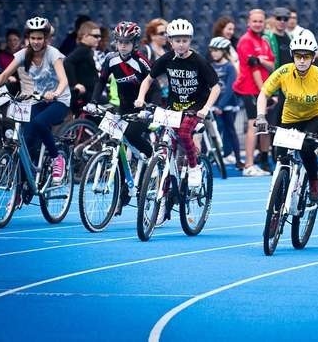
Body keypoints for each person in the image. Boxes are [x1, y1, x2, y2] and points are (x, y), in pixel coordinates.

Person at [135, 18, 220, 190]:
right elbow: (148, 79)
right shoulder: (166, 59)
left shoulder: (198, 61)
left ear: (190, 40)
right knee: (169, 150)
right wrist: (140, 98)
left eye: (185, 40)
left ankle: (194, 166)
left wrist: (205, 108)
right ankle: (164, 199)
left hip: (194, 108)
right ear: (170, 41)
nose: (181, 44)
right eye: (177, 41)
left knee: (183, 133)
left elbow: (216, 87)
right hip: (173, 109)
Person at [255, 29, 318, 202]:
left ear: (313, 57)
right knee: (281, 154)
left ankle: (314, 181)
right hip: (290, 118)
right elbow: (264, 93)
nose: (301, 60)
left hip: (315, 117)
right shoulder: (284, 72)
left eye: (306, 56)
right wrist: (261, 116)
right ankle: (282, 186)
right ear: (292, 55)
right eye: (298, 56)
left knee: (306, 147)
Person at [0, 17, 70, 185]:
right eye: (33, 38)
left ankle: (57, 159)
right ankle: (22, 186)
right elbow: (4, 74)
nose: (36, 41)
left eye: (40, 38)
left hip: (59, 100)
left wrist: (55, 93)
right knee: (25, 140)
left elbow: (63, 80)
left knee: (39, 122)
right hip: (36, 100)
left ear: (46, 39)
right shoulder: (23, 54)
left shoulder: (53, 54)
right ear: (28, 38)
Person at [89, 21, 158, 214]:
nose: (123, 45)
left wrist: (149, 106)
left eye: (127, 42)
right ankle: (123, 193)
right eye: (120, 42)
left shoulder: (141, 61)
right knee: (115, 146)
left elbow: (155, 87)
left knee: (133, 136)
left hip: (143, 110)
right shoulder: (111, 59)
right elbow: (101, 81)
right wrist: (93, 102)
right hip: (124, 109)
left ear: (135, 43)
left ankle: (153, 157)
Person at [232, 9, 275, 176]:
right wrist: (265, 93)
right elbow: (255, 69)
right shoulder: (246, 41)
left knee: (261, 125)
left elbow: (272, 65)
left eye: (260, 21)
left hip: (261, 89)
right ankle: (248, 164)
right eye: (255, 21)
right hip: (249, 89)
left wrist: (262, 60)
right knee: (253, 123)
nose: (258, 24)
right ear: (249, 23)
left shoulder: (264, 41)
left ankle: (259, 161)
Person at [208, 36, 243, 169]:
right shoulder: (211, 66)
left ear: (224, 51)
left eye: (217, 50)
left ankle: (238, 160)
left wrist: (221, 105)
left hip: (227, 105)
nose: (214, 53)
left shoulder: (229, 67)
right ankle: (212, 157)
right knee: (213, 132)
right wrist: (212, 105)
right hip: (214, 106)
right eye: (212, 50)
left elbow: (230, 88)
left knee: (230, 131)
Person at [64, 21, 101, 116]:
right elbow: (67, 62)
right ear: (85, 36)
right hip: (87, 95)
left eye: (99, 36)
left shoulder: (87, 50)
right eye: (95, 36)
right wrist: (75, 84)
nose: (99, 39)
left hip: (90, 94)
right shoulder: (83, 50)